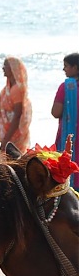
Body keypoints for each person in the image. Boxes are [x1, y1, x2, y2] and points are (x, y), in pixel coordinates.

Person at [0, 56, 32, 152]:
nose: (3, 68)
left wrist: (6, 139)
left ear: (13, 68)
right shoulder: (8, 88)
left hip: (14, 133)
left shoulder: (16, 90)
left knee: (14, 159)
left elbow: (17, 115)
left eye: (5, 65)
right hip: (9, 132)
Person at [51, 52, 78, 190]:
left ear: (75, 68)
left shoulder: (67, 87)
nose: (64, 69)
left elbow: (55, 112)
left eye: (66, 66)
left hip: (70, 137)